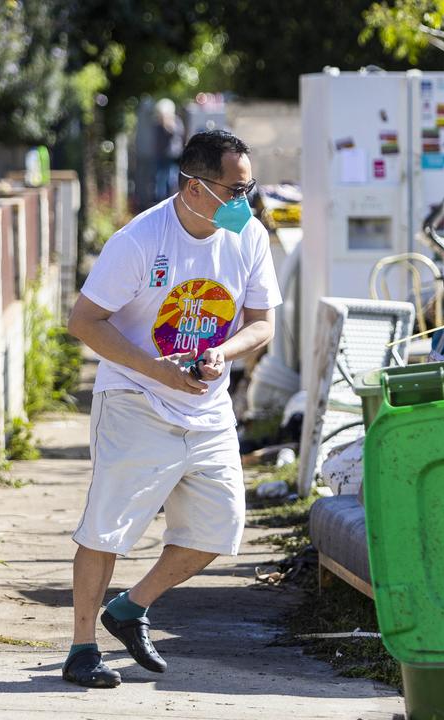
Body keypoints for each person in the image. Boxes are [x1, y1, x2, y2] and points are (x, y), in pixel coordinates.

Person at [62, 130, 280, 688]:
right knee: (107, 527)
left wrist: (219, 353)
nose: (244, 201)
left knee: (219, 530)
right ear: (193, 186)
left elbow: (261, 322)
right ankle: (82, 647)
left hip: (206, 406)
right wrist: (155, 369)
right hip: (136, 398)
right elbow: (84, 322)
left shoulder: (245, 234)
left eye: (248, 187)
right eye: (234, 189)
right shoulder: (140, 240)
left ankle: (130, 609)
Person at [152, 98, 185, 201]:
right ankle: (160, 200)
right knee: (160, 179)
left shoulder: (176, 121)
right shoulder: (157, 124)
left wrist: (168, 123)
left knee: (172, 178)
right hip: (162, 156)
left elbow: (178, 134)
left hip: (174, 156)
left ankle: (172, 199)